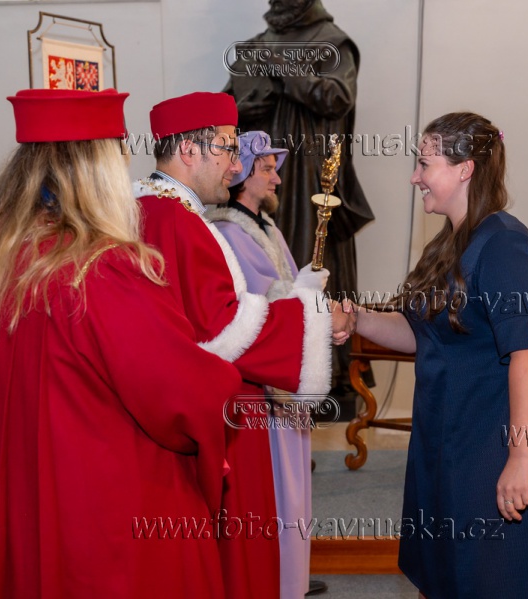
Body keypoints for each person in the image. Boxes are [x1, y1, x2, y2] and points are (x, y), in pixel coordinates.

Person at [0, 89, 243, 598]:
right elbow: (188, 396)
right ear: (99, 174)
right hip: (92, 533)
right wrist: (224, 379)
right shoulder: (98, 271)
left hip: (0, 530)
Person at [134, 92, 349, 599]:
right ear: (189, 150)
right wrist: (316, 318)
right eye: (229, 149)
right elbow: (222, 327)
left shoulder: (158, 211)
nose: (236, 166)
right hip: (214, 411)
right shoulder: (177, 221)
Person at [346, 113, 528, 598]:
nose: (415, 177)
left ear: (465, 169)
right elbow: (422, 334)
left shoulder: (504, 244)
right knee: (445, 573)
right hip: (447, 434)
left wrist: (520, 458)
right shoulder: (448, 243)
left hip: (494, 437)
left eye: (425, 164)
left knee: (492, 576)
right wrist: (357, 318)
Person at [224, 0, 375, 408]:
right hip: (255, 181)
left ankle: (325, 371)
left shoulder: (333, 42)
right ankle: (269, 359)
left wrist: (282, 68)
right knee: (259, 266)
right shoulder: (255, 45)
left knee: (310, 260)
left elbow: (338, 98)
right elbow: (225, 107)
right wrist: (246, 107)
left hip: (308, 176)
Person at [207, 130, 326, 598]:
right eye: (268, 169)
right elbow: (256, 303)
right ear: (243, 176)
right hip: (261, 381)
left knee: (293, 484)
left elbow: (287, 285)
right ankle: (279, 578)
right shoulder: (228, 231)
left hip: (285, 379)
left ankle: (292, 575)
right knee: (274, 486)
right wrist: (303, 296)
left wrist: (309, 293)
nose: (277, 178)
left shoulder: (267, 228)